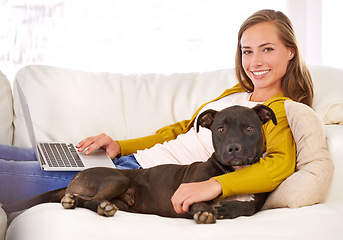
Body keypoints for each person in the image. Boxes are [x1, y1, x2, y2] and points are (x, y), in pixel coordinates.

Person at [0, 9, 313, 216]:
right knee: (10, 153)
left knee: (6, 173)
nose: (255, 60)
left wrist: (215, 185)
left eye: (267, 49)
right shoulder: (236, 94)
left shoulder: (279, 111)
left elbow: (279, 166)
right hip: (125, 161)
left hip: (137, 177)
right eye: (247, 51)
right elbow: (179, 130)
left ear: (290, 51)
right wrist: (120, 145)